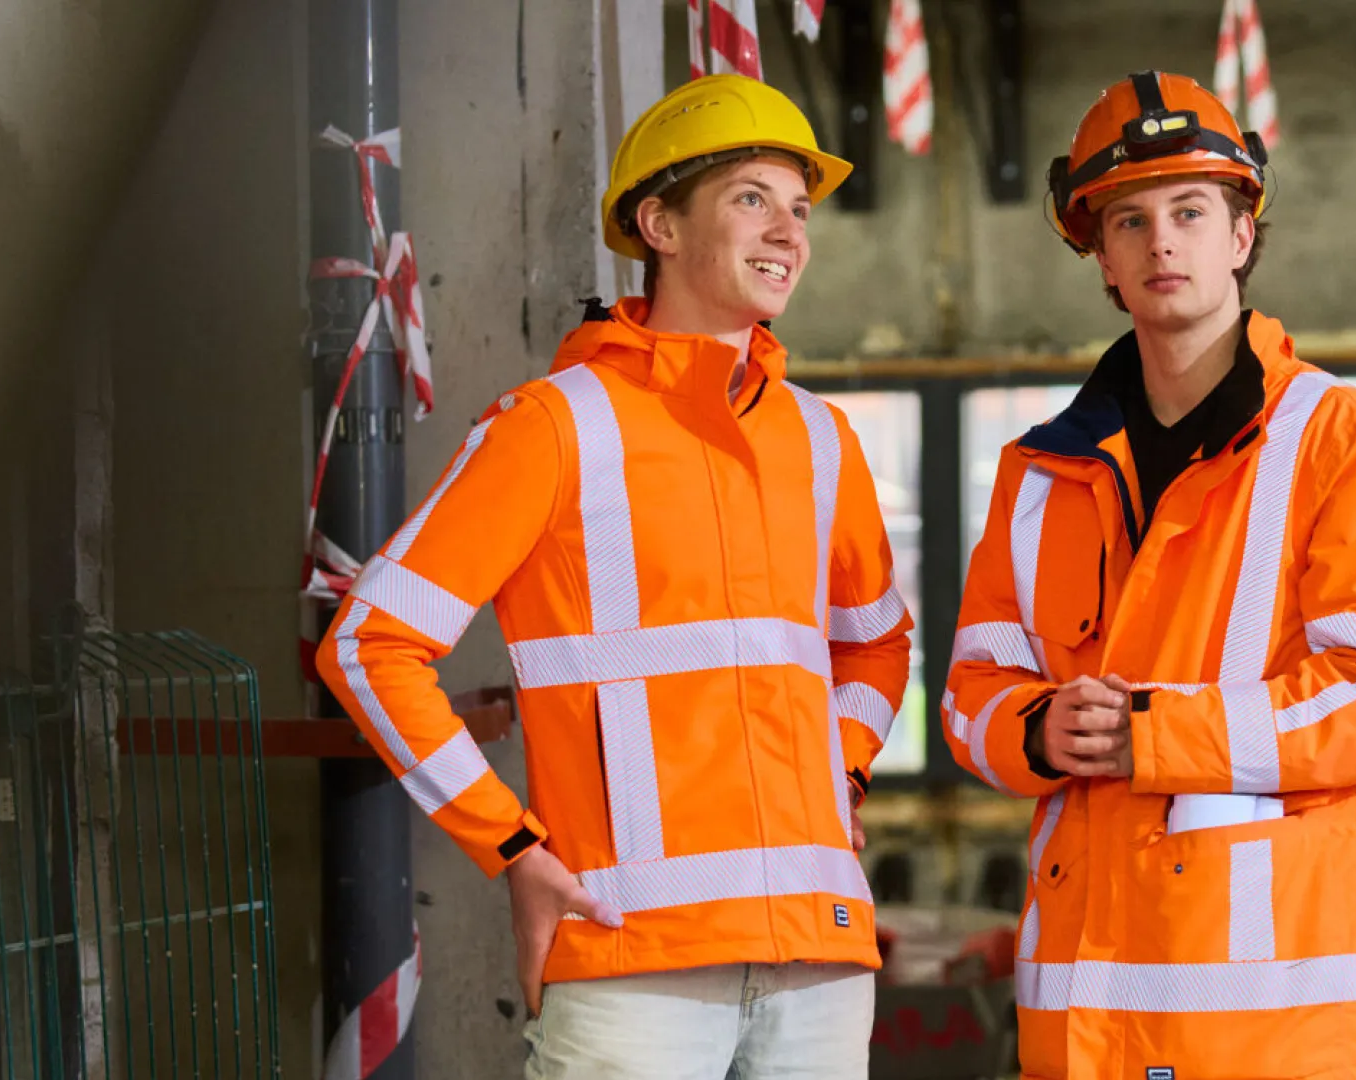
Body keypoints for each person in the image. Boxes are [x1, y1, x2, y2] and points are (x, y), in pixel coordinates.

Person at [318, 73, 911, 1079]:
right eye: (751, 199)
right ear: (659, 226)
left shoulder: (821, 439)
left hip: (819, 960)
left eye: (800, 207)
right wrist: (511, 850)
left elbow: (877, 642)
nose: (787, 233)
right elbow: (371, 644)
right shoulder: (558, 427)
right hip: (633, 958)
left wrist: (838, 768)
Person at [942, 71, 1356, 1080]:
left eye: (1190, 212)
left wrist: (1154, 735)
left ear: (1241, 236)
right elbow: (973, 691)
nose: (1161, 244)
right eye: (1129, 222)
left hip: (1269, 1027)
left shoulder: (1346, 444)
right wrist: (1037, 731)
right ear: (1099, 257)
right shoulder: (1040, 470)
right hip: (1076, 1022)